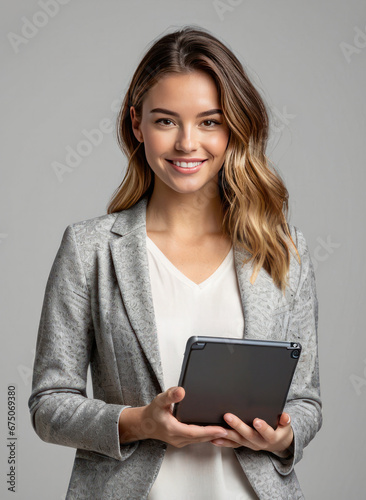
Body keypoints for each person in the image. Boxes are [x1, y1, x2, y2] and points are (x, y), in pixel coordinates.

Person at [28, 25, 322, 499]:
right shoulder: (90, 250)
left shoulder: (283, 249)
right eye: (166, 121)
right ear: (136, 123)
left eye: (209, 122)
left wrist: (285, 436)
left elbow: (305, 398)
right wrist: (139, 422)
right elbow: (48, 404)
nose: (188, 143)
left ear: (234, 127)